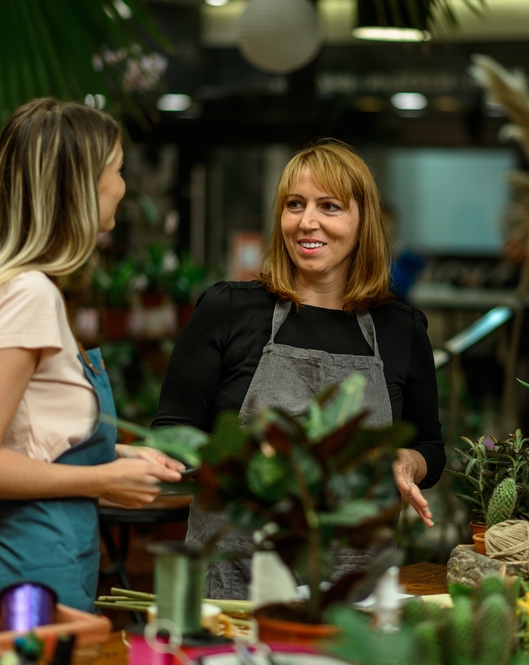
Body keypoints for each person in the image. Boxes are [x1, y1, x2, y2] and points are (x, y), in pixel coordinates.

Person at [153, 139, 445, 599]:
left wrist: (409, 462)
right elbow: (172, 433)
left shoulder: (400, 329)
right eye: (295, 205)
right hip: (232, 589)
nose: (307, 221)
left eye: (329, 206)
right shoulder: (228, 310)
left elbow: (429, 444)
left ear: (361, 222)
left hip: (354, 591)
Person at [0, 98, 184, 612]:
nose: (122, 186)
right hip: (25, 575)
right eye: (116, 171)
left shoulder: (11, 287)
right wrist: (102, 480)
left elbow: (24, 439)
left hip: (36, 565)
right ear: (81, 187)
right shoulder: (29, 294)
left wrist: (116, 456)